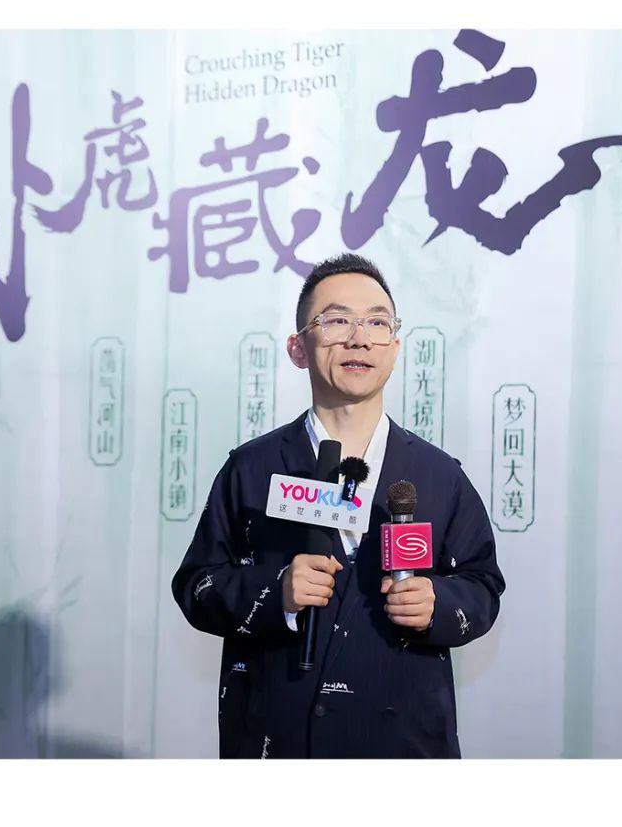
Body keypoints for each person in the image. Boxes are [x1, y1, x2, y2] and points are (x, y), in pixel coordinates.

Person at [171, 253, 504, 758]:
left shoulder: (440, 476)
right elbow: (197, 586)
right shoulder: (251, 469)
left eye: (377, 322)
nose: (359, 338)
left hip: (403, 743)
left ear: (395, 348)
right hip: (277, 739)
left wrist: (437, 602)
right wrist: (277, 591)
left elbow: (483, 586)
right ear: (298, 348)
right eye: (336, 321)